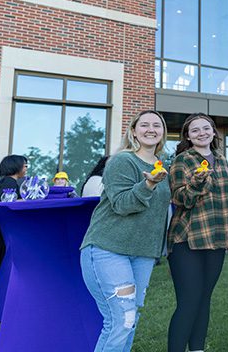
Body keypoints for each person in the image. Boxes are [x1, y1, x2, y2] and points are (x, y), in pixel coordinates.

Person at [80, 110, 171, 352]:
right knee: (121, 320)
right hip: (109, 248)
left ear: (163, 133)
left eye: (157, 125)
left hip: (142, 254)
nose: (151, 129)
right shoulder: (122, 161)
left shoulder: (163, 167)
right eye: (145, 125)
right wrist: (148, 184)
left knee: (130, 320)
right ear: (133, 131)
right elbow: (122, 204)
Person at [167, 113, 228, 352]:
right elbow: (179, 198)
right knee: (189, 302)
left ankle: (197, 349)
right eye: (195, 130)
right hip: (187, 239)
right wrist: (197, 183)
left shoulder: (221, 159)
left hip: (216, 238)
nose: (201, 133)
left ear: (213, 132)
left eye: (206, 128)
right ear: (188, 136)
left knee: (204, 299)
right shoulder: (182, 160)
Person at [0, 155, 27, 287]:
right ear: (15, 166)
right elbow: (5, 204)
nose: (26, 168)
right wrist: (30, 200)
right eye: (24, 165)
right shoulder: (9, 182)